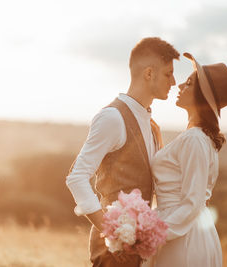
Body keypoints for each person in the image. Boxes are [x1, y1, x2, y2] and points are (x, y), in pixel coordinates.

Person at [65, 37, 179, 267]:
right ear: (149, 73)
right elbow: (76, 177)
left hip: (139, 252)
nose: (174, 82)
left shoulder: (151, 124)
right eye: (168, 74)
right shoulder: (113, 118)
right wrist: (113, 231)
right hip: (112, 254)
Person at [143, 52, 227, 267]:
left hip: (182, 238)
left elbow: (192, 202)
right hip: (183, 231)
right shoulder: (196, 136)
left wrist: (151, 235)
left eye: (190, 82)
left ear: (202, 95)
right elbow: (178, 177)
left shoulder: (194, 139)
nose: (180, 84)